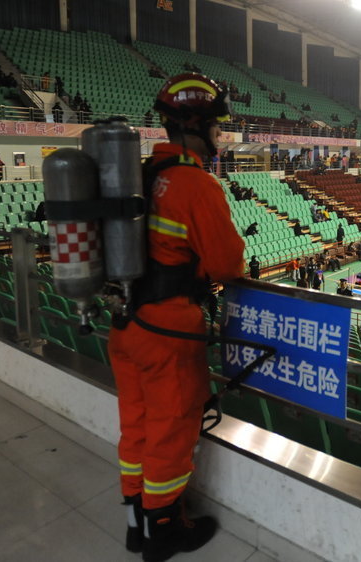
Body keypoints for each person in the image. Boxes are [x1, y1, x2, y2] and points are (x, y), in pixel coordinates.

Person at [108, 73, 241, 560]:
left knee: (136, 427)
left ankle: (134, 522)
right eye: (217, 128)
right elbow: (228, 265)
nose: (221, 137)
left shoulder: (138, 174)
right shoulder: (195, 184)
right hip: (169, 331)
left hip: (126, 323)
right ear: (195, 125)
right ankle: (163, 530)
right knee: (170, 430)